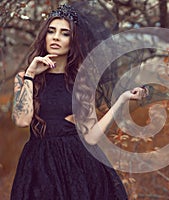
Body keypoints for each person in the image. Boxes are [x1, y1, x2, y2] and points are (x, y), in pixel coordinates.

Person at [11, 4, 148, 200]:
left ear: (72, 41)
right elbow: (22, 121)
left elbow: (91, 137)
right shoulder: (25, 78)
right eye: (51, 31)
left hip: (77, 165)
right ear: (45, 36)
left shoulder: (81, 82)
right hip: (38, 165)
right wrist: (31, 75)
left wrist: (122, 100)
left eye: (64, 33)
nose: (56, 37)